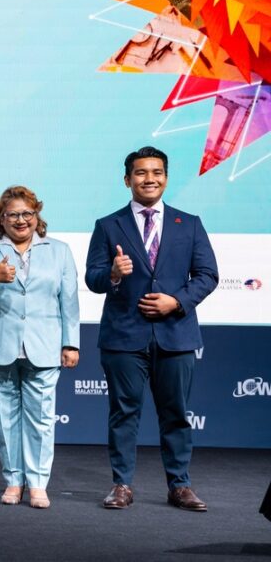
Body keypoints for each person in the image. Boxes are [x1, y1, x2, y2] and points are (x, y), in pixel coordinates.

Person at [86, 146, 218, 511]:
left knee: (176, 414)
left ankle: (180, 485)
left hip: (176, 334)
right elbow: (93, 278)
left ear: (166, 178)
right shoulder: (108, 225)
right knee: (123, 413)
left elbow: (208, 275)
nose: (149, 179)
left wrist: (176, 301)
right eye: (141, 173)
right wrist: (113, 274)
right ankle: (121, 485)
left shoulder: (189, 224)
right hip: (123, 336)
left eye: (157, 172)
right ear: (127, 179)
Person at [0, 186, 80, 509]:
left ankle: (38, 483)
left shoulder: (59, 250)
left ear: (37, 215)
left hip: (45, 344)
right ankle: (14, 479)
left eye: (27, 213)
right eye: (12, 214)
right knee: (5, 418)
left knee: (41, 418)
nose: (20, 220)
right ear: (1, 218)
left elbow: (69, 300)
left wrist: (71, 343)